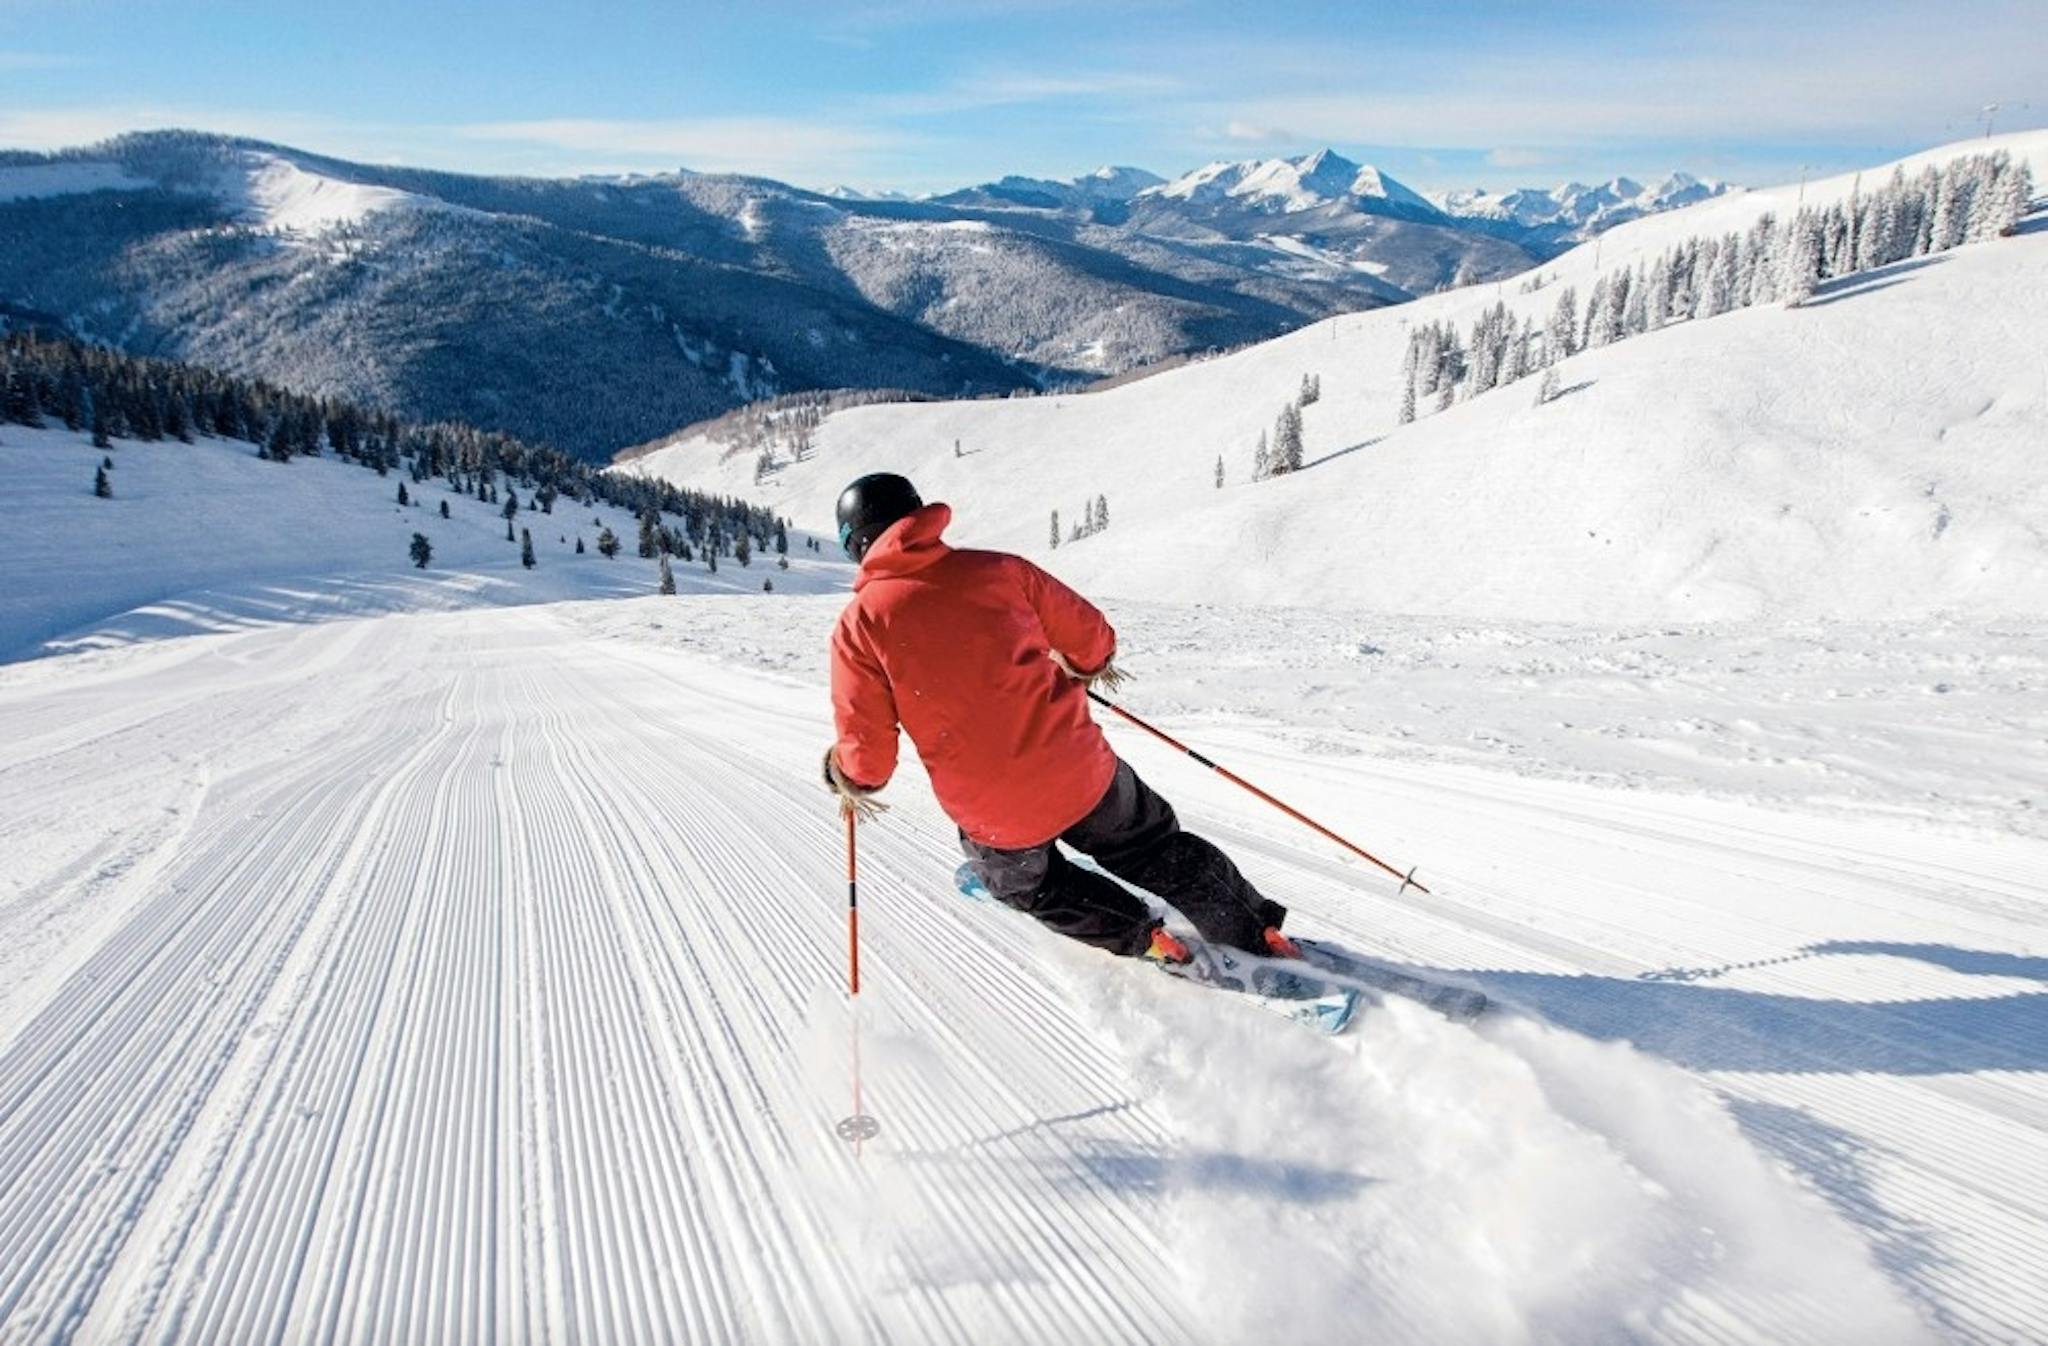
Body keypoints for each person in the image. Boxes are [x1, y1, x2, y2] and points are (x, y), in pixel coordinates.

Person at [822, 472, 1298, 965]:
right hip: (1082, 772)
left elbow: (869, 761)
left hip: (996, 813)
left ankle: (1144, 936)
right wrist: (1079, 667)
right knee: (1153, 846)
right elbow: (1093, 640)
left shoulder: (859, 627)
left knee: (1033, 887)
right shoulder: (1002, 571)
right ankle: (1256, 927)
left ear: (856, 544)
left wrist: (844, 772)